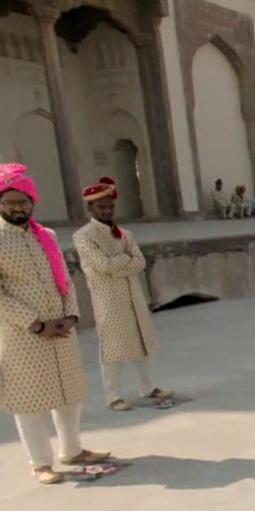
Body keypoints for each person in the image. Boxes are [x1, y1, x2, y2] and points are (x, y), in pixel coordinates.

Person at [0, 164, 111, 485]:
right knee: (29, 400)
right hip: (21, 333)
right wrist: (37, 325)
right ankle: (41, 463)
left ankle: (72, 450)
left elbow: (65, 281)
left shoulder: (47, 236)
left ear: (33, 202)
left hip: (61, 327)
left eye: (24, 201)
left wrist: (71, 316)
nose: (18, 208)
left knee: (69, 392)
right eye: (10, 202)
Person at [73, 176, 174, 411]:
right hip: (108, 298)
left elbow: (139, 262)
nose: (107, 211)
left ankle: (147, 387)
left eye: (110, 206)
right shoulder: (83, 236)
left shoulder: (125, 234)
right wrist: (124, 260)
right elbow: (103, 265)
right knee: (113, 349)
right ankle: (113, 396)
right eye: (101, 207)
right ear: (91, 208)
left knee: (140, 342)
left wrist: (118, 263)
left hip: (132, 295)